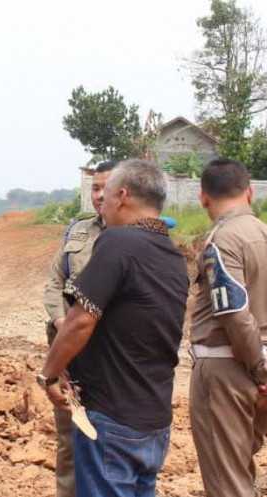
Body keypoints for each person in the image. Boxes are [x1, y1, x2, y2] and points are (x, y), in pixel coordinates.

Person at [40, 159, 189, 497]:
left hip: (112, 418)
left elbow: (80, 320)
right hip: (153, 419)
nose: (100, 203)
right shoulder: (171, 254)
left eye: (104, 194)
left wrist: (48, 374)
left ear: (122, 196)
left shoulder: (118, 243)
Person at [189, 158, 267, 497]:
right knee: (240, 470)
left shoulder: (220, 242)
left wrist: (261, 369)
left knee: (227, 483)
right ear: (251, 192)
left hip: (225, 371)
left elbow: (233, 312)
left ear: (203, 197)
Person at [42, 160, 114, 497]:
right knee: (70, 438)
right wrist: (62, 323)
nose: (99, 195)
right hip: (70, 352)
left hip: (111, 356)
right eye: (95, 188)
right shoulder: (78, 231)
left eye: (106, 187)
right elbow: (54, 283)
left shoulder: (137, 239)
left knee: (110, 441)